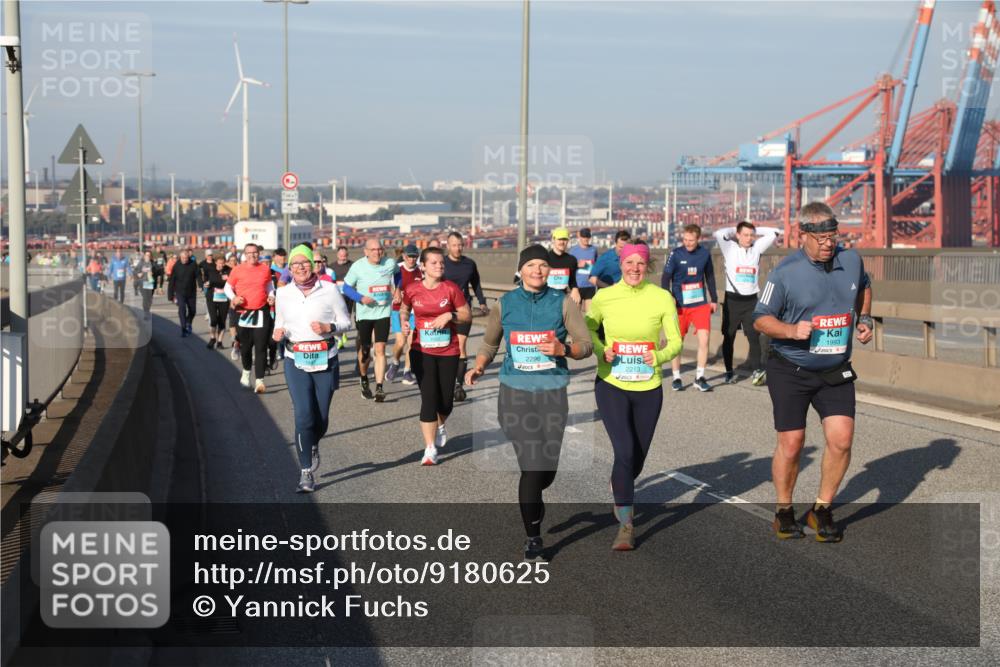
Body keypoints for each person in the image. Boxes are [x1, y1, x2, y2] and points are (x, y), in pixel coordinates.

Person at [753, 202, 873, 542]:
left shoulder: (850, 260)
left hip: (835, 368)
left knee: (842, 439)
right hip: (790, 368)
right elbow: (761, 318)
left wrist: (863, 319)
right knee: (792, 444)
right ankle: (783, 511)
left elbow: (864, 287)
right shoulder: (785, 273)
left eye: (832, 236)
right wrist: (791, 331)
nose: (827, 243)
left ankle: (821, 510)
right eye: (820, 237)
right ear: (801, 235)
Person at [465, 245, 592, 561]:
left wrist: (564, 350)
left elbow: (586, 345)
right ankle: (533, 538)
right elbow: (490, 343)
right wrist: (479, 364)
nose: (538, 270)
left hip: (552, 396)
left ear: (549, 270)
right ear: (520, 270)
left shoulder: (562, 303)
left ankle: (534, 493)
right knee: (533, 466)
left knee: (546, 472)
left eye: (543, 265)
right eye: (531, 265)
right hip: (515, 395)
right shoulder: (505, 303)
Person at [586, 242, 682, 551]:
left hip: (648, 387)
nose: (635, 268)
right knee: (625, 451)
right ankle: (626, 525)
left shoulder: (662, 298)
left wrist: (659, 356)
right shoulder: (603, 297)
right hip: (612, 383)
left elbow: (677, 341)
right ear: (621, 264)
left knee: (635, 459)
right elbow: (587, 330)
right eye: (630, 262)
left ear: (648, 266)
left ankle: (621, 481)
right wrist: (603, 350)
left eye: (641, 263)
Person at [272, 244, 352, 493]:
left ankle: (313, 443)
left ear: (313, 264)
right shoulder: (283, 293)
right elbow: (280, 322)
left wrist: (329, 328)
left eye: (304, 263)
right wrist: (279, 332)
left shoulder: (328, 290)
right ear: (290, 268)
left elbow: (346, 322)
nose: (300, 268)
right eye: (295, 264)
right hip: (295, 358)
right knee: (303, 415)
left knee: (322, 418)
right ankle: (305, 471)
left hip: (325, 357)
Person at [399, 246, 471, 466]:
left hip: (448, 351)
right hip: (422, 351)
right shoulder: (412, 289)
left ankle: (440, 423)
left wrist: (450, 314)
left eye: (442, 263)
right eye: (434, 263)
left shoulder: (450, 289)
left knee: (446, 402)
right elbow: (404, 307)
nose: (439, 266)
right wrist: (404, 320)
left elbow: (467, 315)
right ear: (423, 266)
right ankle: (430, 449)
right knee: (429, 398)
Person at [714, 220, 782, 385]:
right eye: (745, 235)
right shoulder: (730, 248)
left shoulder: (757, 249)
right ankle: (729, 371)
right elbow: (718, 233)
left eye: (751, 235)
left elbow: (775, 231)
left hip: (751, 300)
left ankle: (757, 370)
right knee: (729, 337)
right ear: (737, 235)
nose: (749, 238)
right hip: (732, 300)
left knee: (754, 336)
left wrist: (754, 229)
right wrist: (737, 228)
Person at [662, 224, 717, 392]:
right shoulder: (676, 254)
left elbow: (710, 277)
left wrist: (714, 299)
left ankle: (699, 377)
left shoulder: (704, 254)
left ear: (698, 238)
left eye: (691, 240)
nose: (688, 243)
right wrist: (668, 295)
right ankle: (677, 377)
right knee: (677, 343)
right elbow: (665, 277)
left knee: (704, 339)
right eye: (685, 239)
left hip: (699, 303)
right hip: (679, 304)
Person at [342, 237, 398, 402]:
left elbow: (398, 274)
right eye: (373, 250)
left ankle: (380, 387)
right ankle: (364, 378)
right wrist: (360, 298)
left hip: (383, 312)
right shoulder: (358, 266)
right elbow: (346, 288)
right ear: (366, 251)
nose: (377, 252)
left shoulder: (390, 263)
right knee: (365, 352)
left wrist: (399, 289)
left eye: (379, 249)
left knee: (380, 349)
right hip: (365, 314)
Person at [443, 231, 488, 402]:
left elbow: (476, 283)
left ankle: (458, 385)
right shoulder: (442, 264)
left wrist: (482, 302)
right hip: (444, 311)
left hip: (463, 310)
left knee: (461, 345)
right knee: (446, 346)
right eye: (454, 245)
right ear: (448, 246)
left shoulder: (469, 264)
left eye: (460, 245)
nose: (458, 248)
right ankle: (446, 379)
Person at [225, 243, 276, 393]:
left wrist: (272, 296)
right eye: (249, 253)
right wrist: (234, 298)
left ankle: (260, 381)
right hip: (244, 313)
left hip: (261, 311)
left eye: (255, 252)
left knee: (261, 347)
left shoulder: (265, 269)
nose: (252, 255)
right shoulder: (237, 269)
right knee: (246, 347)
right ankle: (246, 372)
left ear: (258, 253)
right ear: (244, 255)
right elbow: (228, 287)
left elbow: (269, 286)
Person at [388, 244, 423, 385]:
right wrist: (395, 292)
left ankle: (407, 371)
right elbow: (388, 284)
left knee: (411, 342)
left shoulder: (421, 270)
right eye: (409, 256)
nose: (412, 259)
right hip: (398, 309)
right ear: (404, 256)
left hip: (415, 311)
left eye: (415, 256)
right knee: (401, 342)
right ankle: (395, 363)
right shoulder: (397, 268)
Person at [167, 248, 202, 337]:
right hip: (180, 292)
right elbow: (172, 281)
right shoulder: (176, 266)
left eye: (186, 258)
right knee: (182, 309)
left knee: (193, 311)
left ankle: (188, 322)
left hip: (191, 292)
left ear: (188, 257)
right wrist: (170, 295)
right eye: (183, 258)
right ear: (180, 257)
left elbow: (198, 275)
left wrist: (200, 285)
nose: (185, 260)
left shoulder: (193, 264)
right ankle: (183, 328)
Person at [546, 227, 581, 305]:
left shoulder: (571, 260)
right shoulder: (545, 258)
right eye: (559, 239)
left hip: (562, 299)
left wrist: (575, 289)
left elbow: (572, 280)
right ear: (553, 240)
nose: (562, 242)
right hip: (546, 300)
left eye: (565, 239)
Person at [203, 255, 232, 349]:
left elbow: (229, 282)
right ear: (216, 262)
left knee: (222, 321)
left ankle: (219, 341)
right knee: (214, 319)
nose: (221, 265)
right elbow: (208, 280)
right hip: (212, 297)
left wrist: (213, 282)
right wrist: (210, 283)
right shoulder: (210, 269)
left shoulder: (228, 270)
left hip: (224, 298)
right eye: (220, 263)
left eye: (223, 263)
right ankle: (212, 338)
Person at [569, 227, 598, 311]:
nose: (586, 239)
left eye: (588, 237)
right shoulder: (573, 251)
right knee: (576, 314)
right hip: (577, 286)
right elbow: (570, 268)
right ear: (579, 237)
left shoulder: (593, 250)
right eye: (584, 237)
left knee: (590, 315)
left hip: (590, 285)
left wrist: (586, 265)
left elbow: (596, 267)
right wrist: (577, 265)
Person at [134, 250, 157, 319]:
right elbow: (135, 270)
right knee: (145, 298)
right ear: (144, 256)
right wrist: (138, 274)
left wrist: (154, 273)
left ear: (151, 256)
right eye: (147, 255)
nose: (148, 256)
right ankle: (145, 313)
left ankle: (147, 310)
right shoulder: (141, 263)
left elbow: (158, 271)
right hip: (142, 282)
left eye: (149, 255)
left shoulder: (153, 263)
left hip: (150, 282)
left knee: (148, 299)